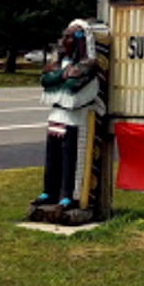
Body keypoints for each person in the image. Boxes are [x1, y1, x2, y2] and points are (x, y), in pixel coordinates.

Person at [31, 19, 99, 209]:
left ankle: (67, 194)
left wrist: (58, 80)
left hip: (75, 117)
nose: (63, 41)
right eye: (63, 36)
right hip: (56, 115)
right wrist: (62, 76)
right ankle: (49, 191)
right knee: (52, 157)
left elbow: (73, 86)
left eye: (68, 37)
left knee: (71, 158)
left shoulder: (88, 65)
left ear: (80, 40)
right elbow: (45, 80)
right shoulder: (60, 63)